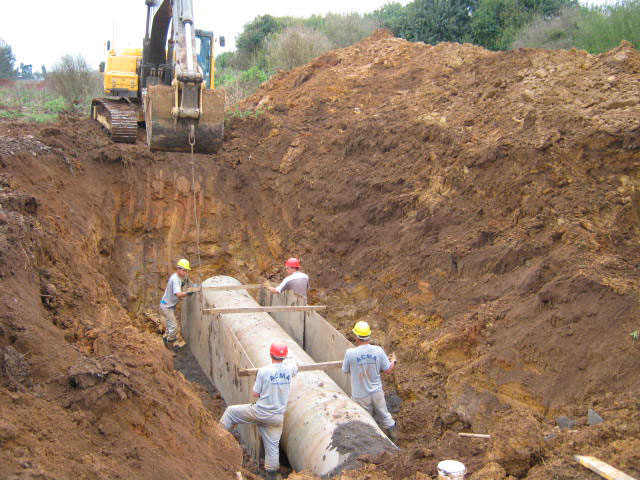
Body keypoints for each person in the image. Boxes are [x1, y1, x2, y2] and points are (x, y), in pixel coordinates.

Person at [220, 341, 298, 480]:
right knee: (272, 449)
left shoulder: (264, 371)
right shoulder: (289, 370)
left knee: (231, 412)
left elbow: (255, 394)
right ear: (285, 357)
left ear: (270, 354)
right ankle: (271, 477)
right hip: (277, 417)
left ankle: (216, 438)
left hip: (260, 412)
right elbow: (295, 367)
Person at [342, 321, 398, 441]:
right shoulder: (378, 351)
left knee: (365, 420)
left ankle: (369, 443)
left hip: (360, 395)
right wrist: (393, 361)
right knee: (385, 416)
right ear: (369, 335)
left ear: (356, 337)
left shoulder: (350, 353)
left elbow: (345, 370)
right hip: (377, 392)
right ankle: (394, 438)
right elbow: (388, 369)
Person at [160, 258, 191, 348]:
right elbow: (178, 295)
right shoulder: (175, 279)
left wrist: (191, 285)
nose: (185, 273)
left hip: (168, 304)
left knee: (170, 325)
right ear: (178, 269)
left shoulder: (179, 277)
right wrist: (188, 293)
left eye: (186, 271)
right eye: (184, 271)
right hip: (166, 306)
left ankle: (165, 339)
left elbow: (185, 280)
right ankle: (169, 347)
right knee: (174, 327)